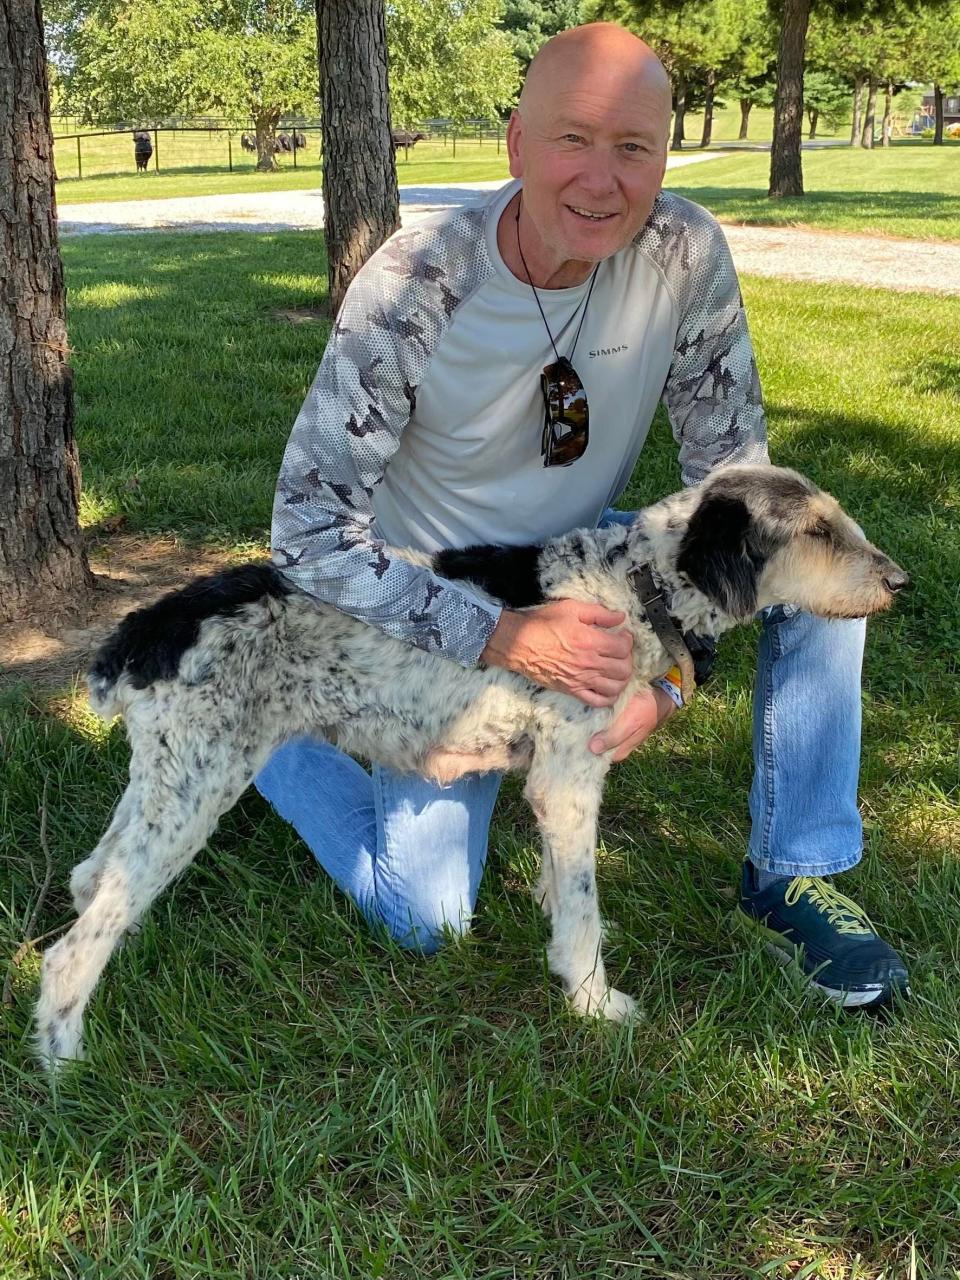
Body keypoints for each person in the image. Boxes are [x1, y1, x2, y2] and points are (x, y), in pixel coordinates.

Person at [255, 23, 909, 1009]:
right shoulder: (419, 279)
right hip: (441, 580)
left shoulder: (684, 251)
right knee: (425, 912)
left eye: (634, 147)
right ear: (517, 144)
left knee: (817, 565)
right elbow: (306, 533)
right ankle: (275, 731)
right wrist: (509, 635)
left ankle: (796, 868)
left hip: (587, 545)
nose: (602, 180)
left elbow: (741, 493)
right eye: (574, 140)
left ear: (664, 155)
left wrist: (673, 680)